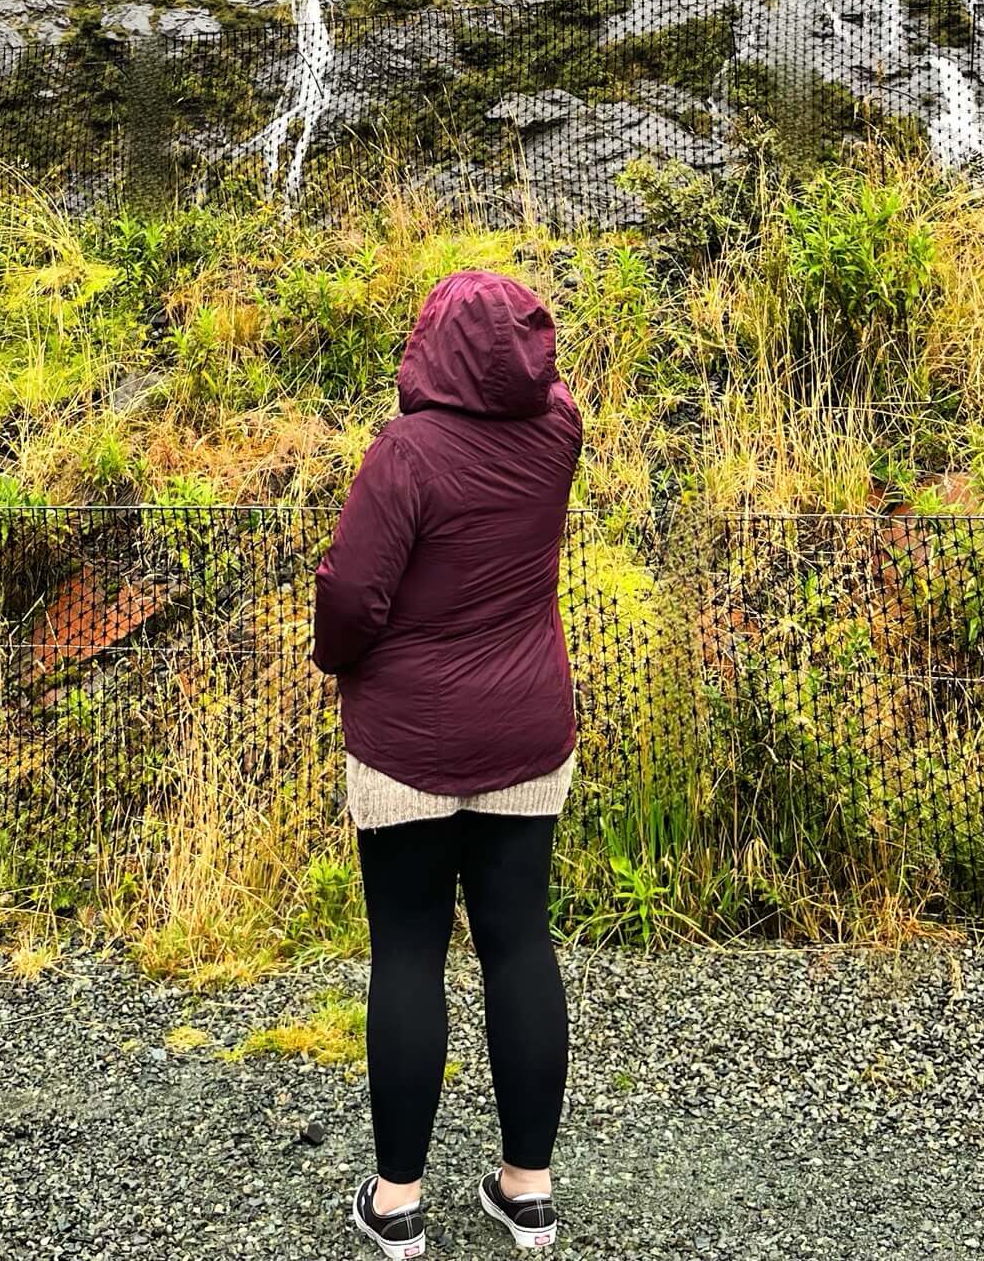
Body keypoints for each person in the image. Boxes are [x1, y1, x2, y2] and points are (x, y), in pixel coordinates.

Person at [314, 269, 582, 1258]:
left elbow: (350, 593)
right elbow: (544, 392)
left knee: (409, 952)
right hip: (524, 728)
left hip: (408, 742)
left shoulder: (407, 452)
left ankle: (397, 1203)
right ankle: (528, 1189)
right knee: (520, 945)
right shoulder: (560, 433)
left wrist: (339, 658)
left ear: (429, 345)